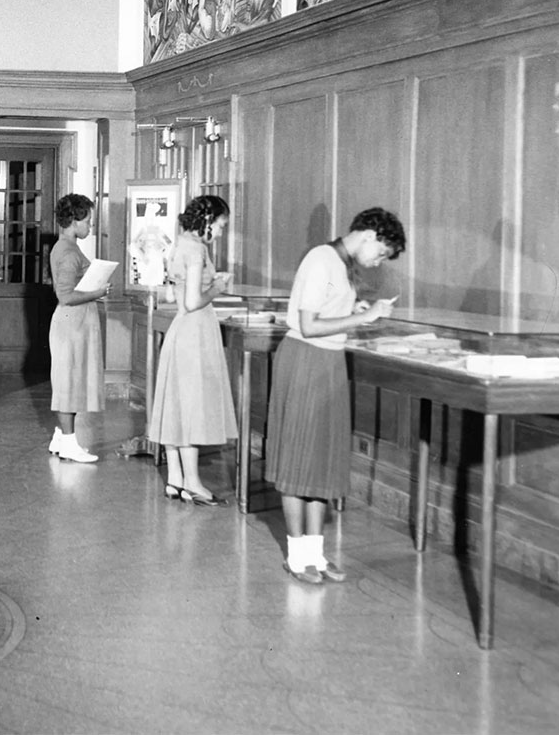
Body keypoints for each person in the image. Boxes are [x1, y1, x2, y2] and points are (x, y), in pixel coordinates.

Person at [266, 207, 406, 585]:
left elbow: (324, 310)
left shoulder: (340, 263)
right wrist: (364, 317)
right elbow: (308, 325)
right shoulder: (320, 259)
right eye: (380, 253)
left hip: (328, 364)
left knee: (322, 460)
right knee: (298, 460)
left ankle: (315, 553)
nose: (378, 263)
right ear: (369, 235)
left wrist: (350, 307)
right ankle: (297, 557)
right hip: (306, 363)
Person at [147, 195, 237, 506]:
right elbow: (192, 302)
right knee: (191, 409)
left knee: (176, 407)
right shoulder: (197, 250)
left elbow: (173, 295)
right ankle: (194, 483)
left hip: (180, 332)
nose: (222, 232)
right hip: (196, 332)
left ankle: (176, 480)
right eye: (221, 226)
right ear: (209, 220)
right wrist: (218, 287)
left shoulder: (180, 244)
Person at [47, 193, 110, 464]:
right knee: (69, 384)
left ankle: (61, 437)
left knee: (68, 381)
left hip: (72, 324)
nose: (91, 226)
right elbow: (65, 296)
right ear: (74, 221)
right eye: (89, 221)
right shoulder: (69, 252)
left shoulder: (64, 247)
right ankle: (70, 443)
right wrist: (98, 291)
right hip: (71, 325)